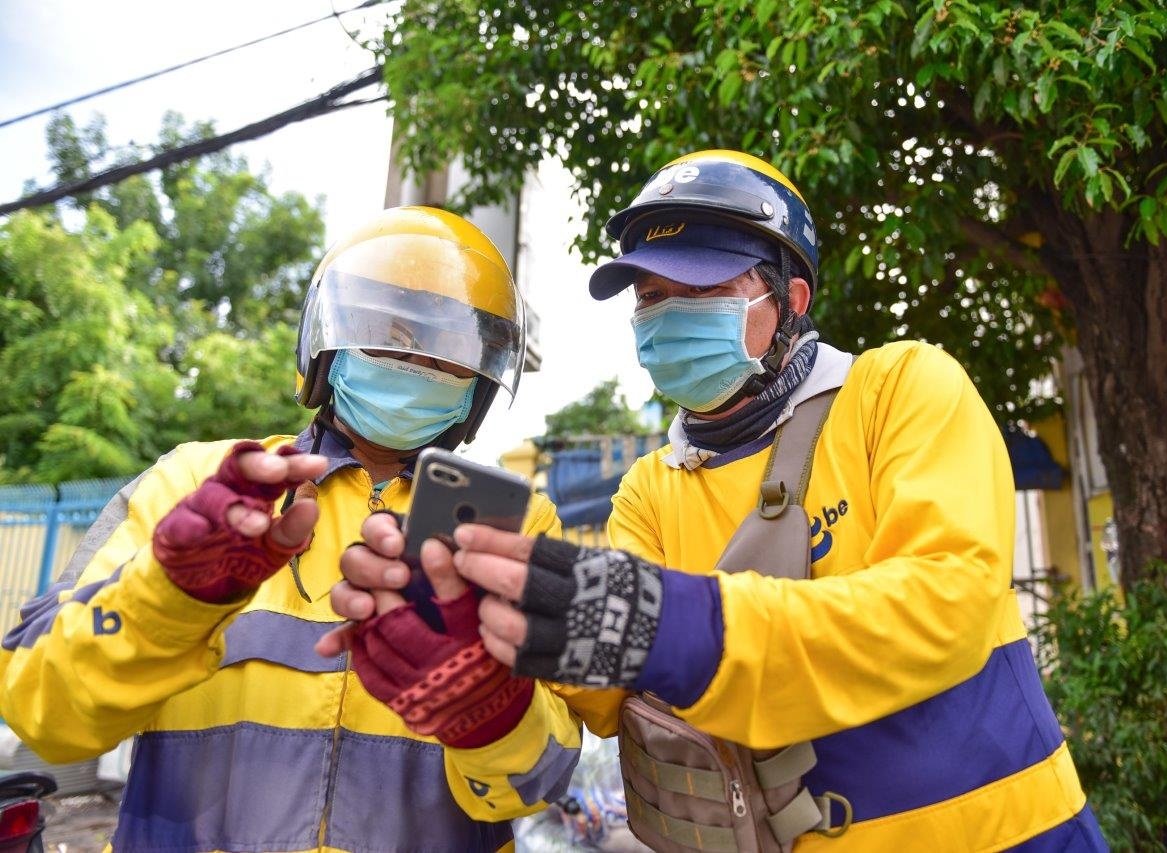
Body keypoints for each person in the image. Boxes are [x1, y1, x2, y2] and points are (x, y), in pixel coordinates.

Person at [335, 151, 1109, 850]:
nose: (666, 313)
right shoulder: (650, 487)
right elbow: (608, 691)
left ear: (789, 296)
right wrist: (486, 648)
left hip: (1016, 837)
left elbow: (950, 605)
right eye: (650, 293)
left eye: (700, 285)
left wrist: (670, 620)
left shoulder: (900, 388)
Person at [0, 207, 584, 853]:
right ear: (327, 345)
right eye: (389, 333)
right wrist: (170, 597)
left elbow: (540, 780)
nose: (415, 359)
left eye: (445, 350)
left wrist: (489, 712)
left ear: (477, 382)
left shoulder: (515, 523)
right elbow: (42, 710)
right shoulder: (197, 485)